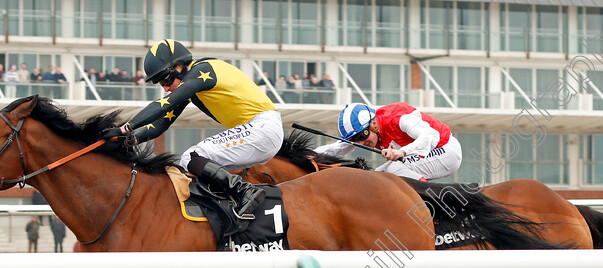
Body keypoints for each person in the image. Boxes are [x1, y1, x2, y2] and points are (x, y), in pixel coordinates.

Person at [100, 39, 282, 217]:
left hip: (262, 127)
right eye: (161, 84)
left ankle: (244, 192)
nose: (166, 88)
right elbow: (161, 123)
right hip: (260, 131)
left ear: (180, 67)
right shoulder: (192, 85)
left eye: (166, 80)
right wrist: (132, 138)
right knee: (200, 167)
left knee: (191, 157)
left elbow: (165, 104)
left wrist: (125, 128)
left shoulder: (202, 70)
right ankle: (226, 208)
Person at [315, 102, 463, 182]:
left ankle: (434, 207)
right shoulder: (367, 130)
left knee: (394, 169)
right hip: (429, 154)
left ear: (373, 124)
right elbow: (335, 149)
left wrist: (401, 152)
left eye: (361, 137)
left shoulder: (399, 119)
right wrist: (305, 155)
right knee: (374, 177)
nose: (360, 143)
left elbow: (430, 136)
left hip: (446, 150)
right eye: (354, 140)